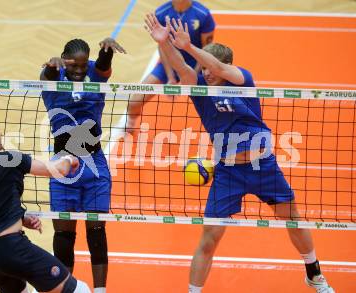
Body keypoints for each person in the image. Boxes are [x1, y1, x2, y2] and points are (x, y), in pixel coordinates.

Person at [143, 13, 335, 293]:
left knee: (292, 218)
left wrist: (189, 46)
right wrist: (167, 45)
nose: (206, 72)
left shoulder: (241, 81)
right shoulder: (200, 90)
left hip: (262, 167)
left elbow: (218, 66)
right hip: (228, 172)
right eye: (203, 68)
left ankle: (313, 273)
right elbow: (183, 69)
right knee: (209, 238)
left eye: (209, 68)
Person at [0, 113, 91, 293]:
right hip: (12, 249)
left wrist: (20, 217)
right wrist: (69, 159)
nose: (1, 134)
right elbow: (58, 170)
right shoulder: (7, 158)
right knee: (79, 290)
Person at [40, 37, 126, 293]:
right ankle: (64, 289)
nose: (78, 71)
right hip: (62, 165)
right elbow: (47, 75)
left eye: (82, 66)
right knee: (64, 237)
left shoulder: (94, 73)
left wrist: (107, 51)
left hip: (95, 165)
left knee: (96, 232)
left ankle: (100, 290)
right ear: (64, 62)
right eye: (72, 66)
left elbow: (103, 65)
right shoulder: (53, 76)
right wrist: (53, 67)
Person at [126, 0, 216, 132]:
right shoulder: (162, 13)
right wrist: (170, 77)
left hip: (197, 64)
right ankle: (130, 124)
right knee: (134, 102)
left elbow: (206, 50)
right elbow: (162, 46)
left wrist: (193, 76)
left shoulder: (203, 14)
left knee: (215, 103)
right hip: (169, 62)